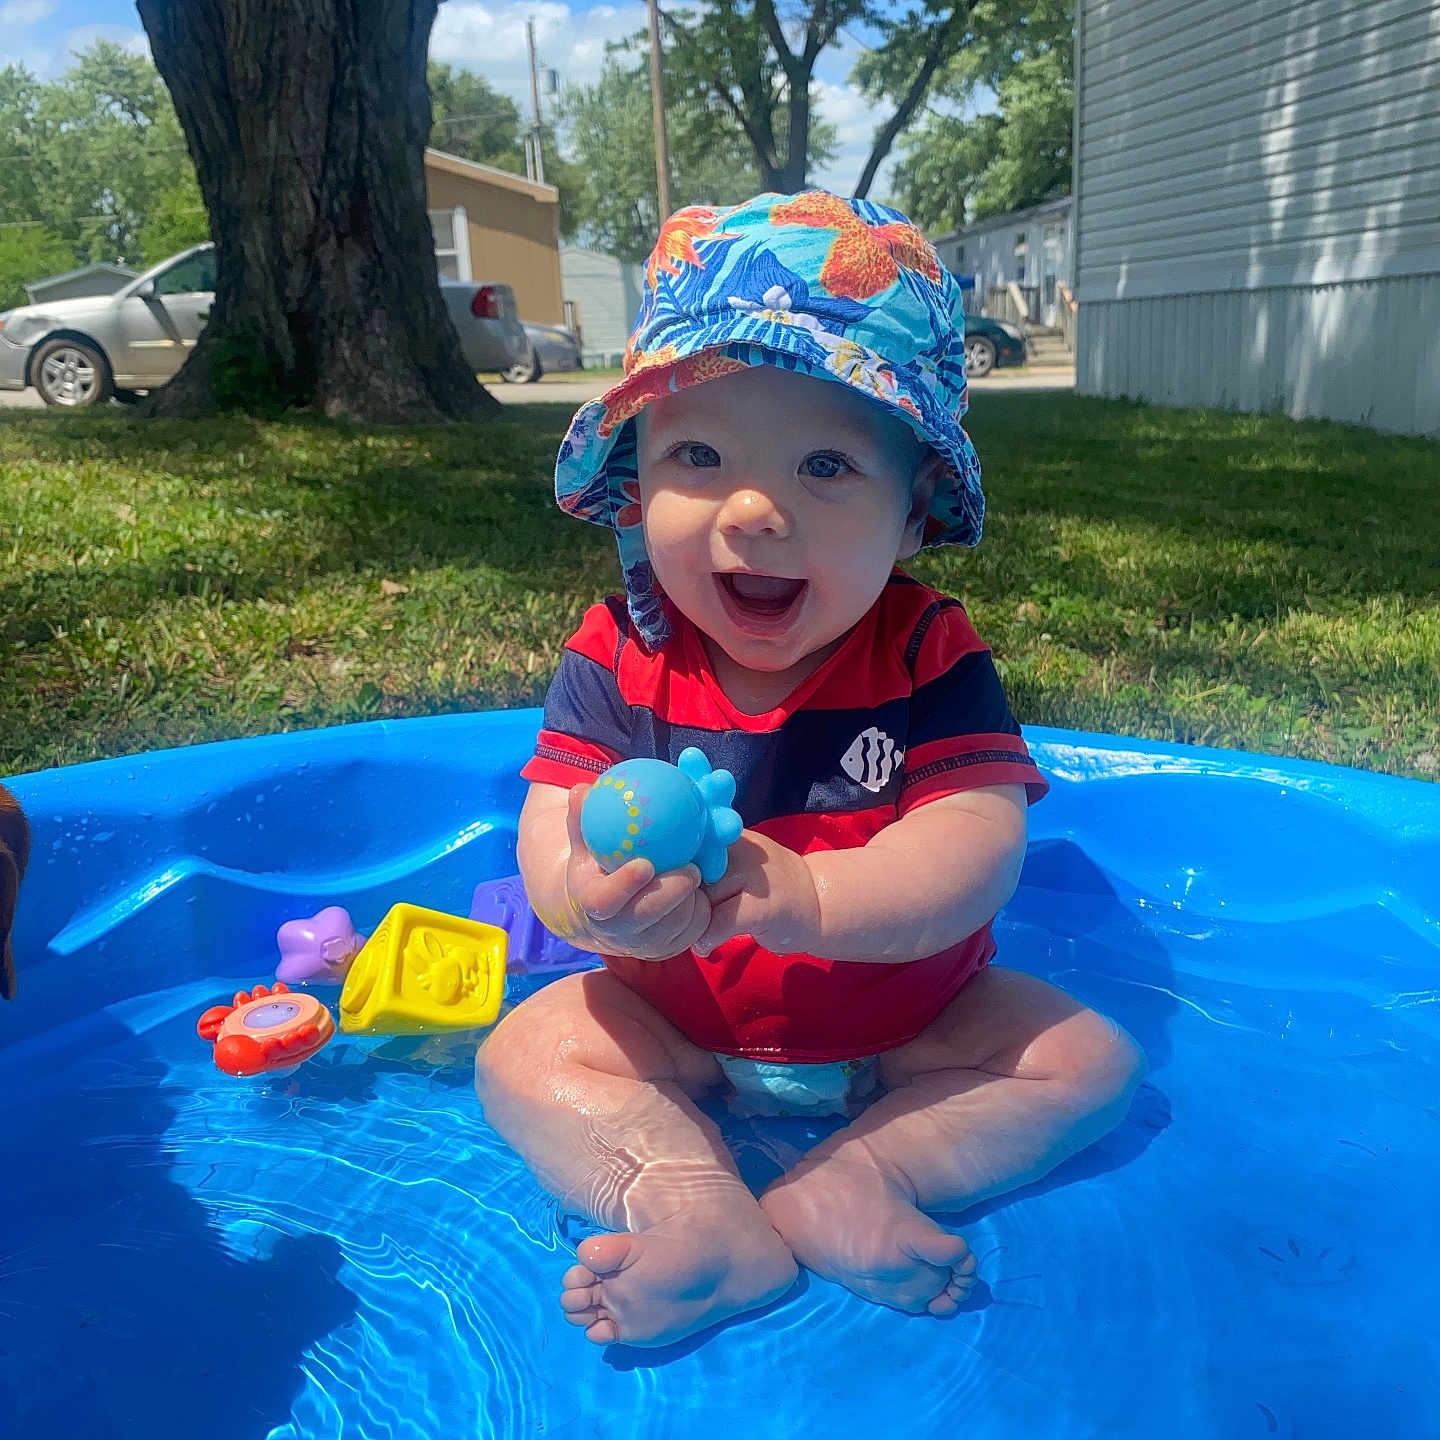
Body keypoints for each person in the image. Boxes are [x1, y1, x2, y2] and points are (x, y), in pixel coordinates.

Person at [475, 190, 1145, 1348]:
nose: (753, 508)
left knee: (1088, 1062)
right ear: (636, 485)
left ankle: (865, 1173)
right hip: (673, 1024)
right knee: (525, 1056)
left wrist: (812, 899)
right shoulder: (617, 651)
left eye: (825, 464)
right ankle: (693, 1209)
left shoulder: (929, 650)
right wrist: (587, 898)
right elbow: (549, 828)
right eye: (697, 455)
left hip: (911, 1028)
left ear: (914, 513)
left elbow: (977, 848)